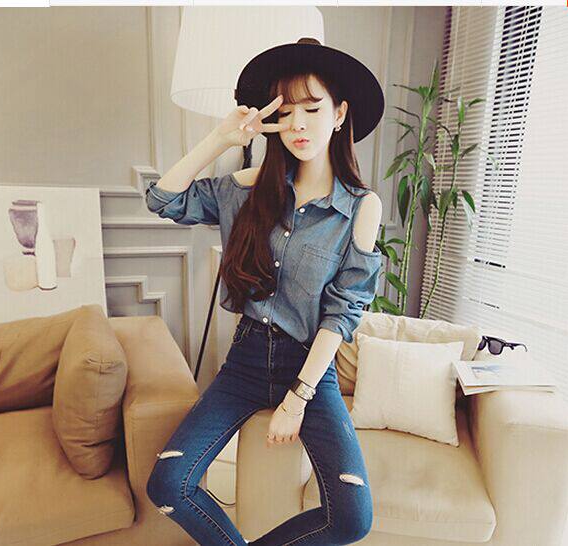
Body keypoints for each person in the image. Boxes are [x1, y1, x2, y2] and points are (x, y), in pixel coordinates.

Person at [144, 37, 384, 546]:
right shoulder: (248, 188)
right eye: (286, 111)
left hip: (310, 369)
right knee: (168, 484)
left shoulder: (361, 208)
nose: (298, 124)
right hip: (245, 362)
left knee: (352, 518)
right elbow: (162, 199)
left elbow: (342, 313)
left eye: (312, 109)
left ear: (340, 114)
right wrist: (220, 139)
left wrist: (299, 398)